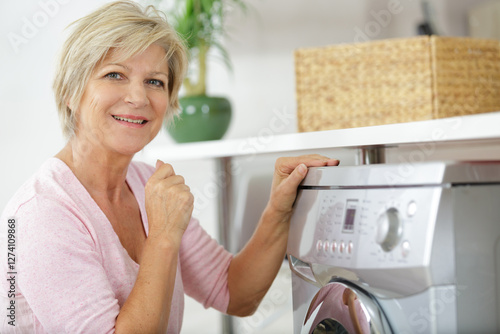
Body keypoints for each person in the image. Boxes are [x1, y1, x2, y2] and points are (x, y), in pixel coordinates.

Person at [0, 1, 339, 333]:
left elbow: (234, 292)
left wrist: (278, 210)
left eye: (155, 82)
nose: (138, 97)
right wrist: (162, 237)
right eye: (114, 74)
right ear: (71, 92)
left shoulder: (147, 183)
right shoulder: (41, 214)